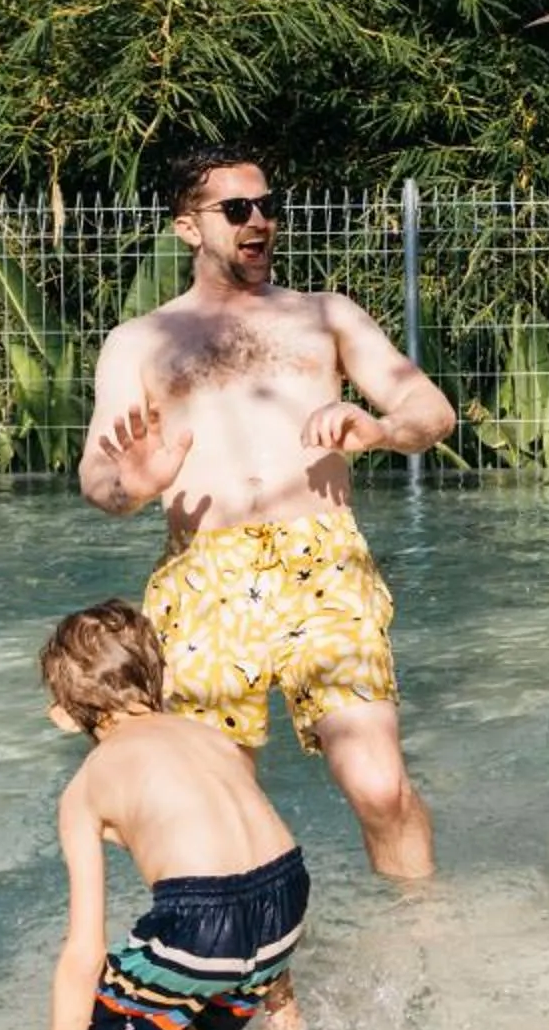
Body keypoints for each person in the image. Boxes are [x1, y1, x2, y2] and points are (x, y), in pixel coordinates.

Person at [78, 146, 456, 879]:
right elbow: (99, 475)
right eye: (237, 210)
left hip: (325, 562)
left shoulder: (324, 316)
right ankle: (263, 977)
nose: (261, 222)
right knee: (217, 806)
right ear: (188, 228)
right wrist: (138, 483)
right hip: (204, 573)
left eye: (267, 206)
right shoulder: (139, 342)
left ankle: (423, 940)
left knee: (380, 786)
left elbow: (429, 409)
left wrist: (381, 430)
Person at [36, 600, 311, 1030]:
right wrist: (278, 991)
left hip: (202, 916)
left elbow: (83, 951)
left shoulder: (86, 787)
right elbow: (248, 857)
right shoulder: (211, 737)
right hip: (288, 893)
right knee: (186, 1010)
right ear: (159, 675)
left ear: (63, 716)